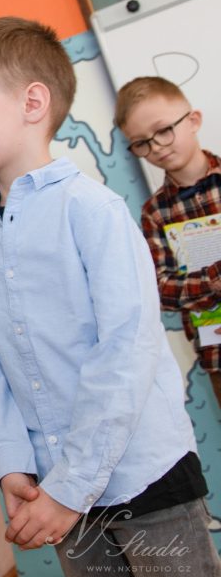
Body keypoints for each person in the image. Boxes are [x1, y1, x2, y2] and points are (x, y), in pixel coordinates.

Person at [0, 17, 221, 577]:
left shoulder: (92, 210)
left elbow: (126, 352)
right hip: (53, 485)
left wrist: (72, 487)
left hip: (142, 475)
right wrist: (13, 463)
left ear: (32, 103)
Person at [115, 76, 221, 409]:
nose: (156, 147)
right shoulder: (155, 213)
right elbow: (161, 289)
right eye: (141, 143)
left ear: (193, 120)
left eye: (162, 131)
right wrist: (214, 280)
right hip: (218, 353)